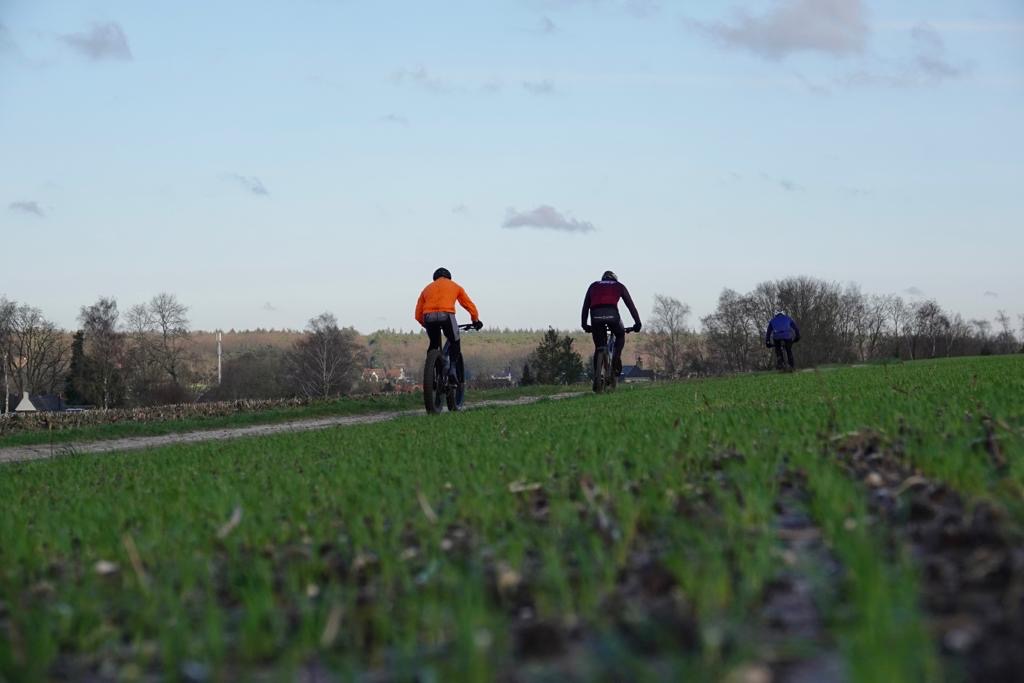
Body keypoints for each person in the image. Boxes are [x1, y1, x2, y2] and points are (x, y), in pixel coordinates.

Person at [415, 267, 483, 388]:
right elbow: (468, 304)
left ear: (435, 278)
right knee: (454, 340)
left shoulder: (427, 289)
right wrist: (475, 320)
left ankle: (432, 374)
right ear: (449, 277)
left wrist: (425, 324)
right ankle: (452, 368)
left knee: (434, 344)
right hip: (446, 315)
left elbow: (417, 314)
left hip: (428, 317)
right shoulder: (455, 286)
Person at [581, 270, 642, 384]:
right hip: (612, 314)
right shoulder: (619, 286)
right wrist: (637, 323)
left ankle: (596, 377)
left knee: (599, 346)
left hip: (595, 315)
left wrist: (584, 325)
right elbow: (630, 306)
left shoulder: (593, 285)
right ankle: (616, 358)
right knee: (620, 334)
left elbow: (585, 307)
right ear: (614, 279)